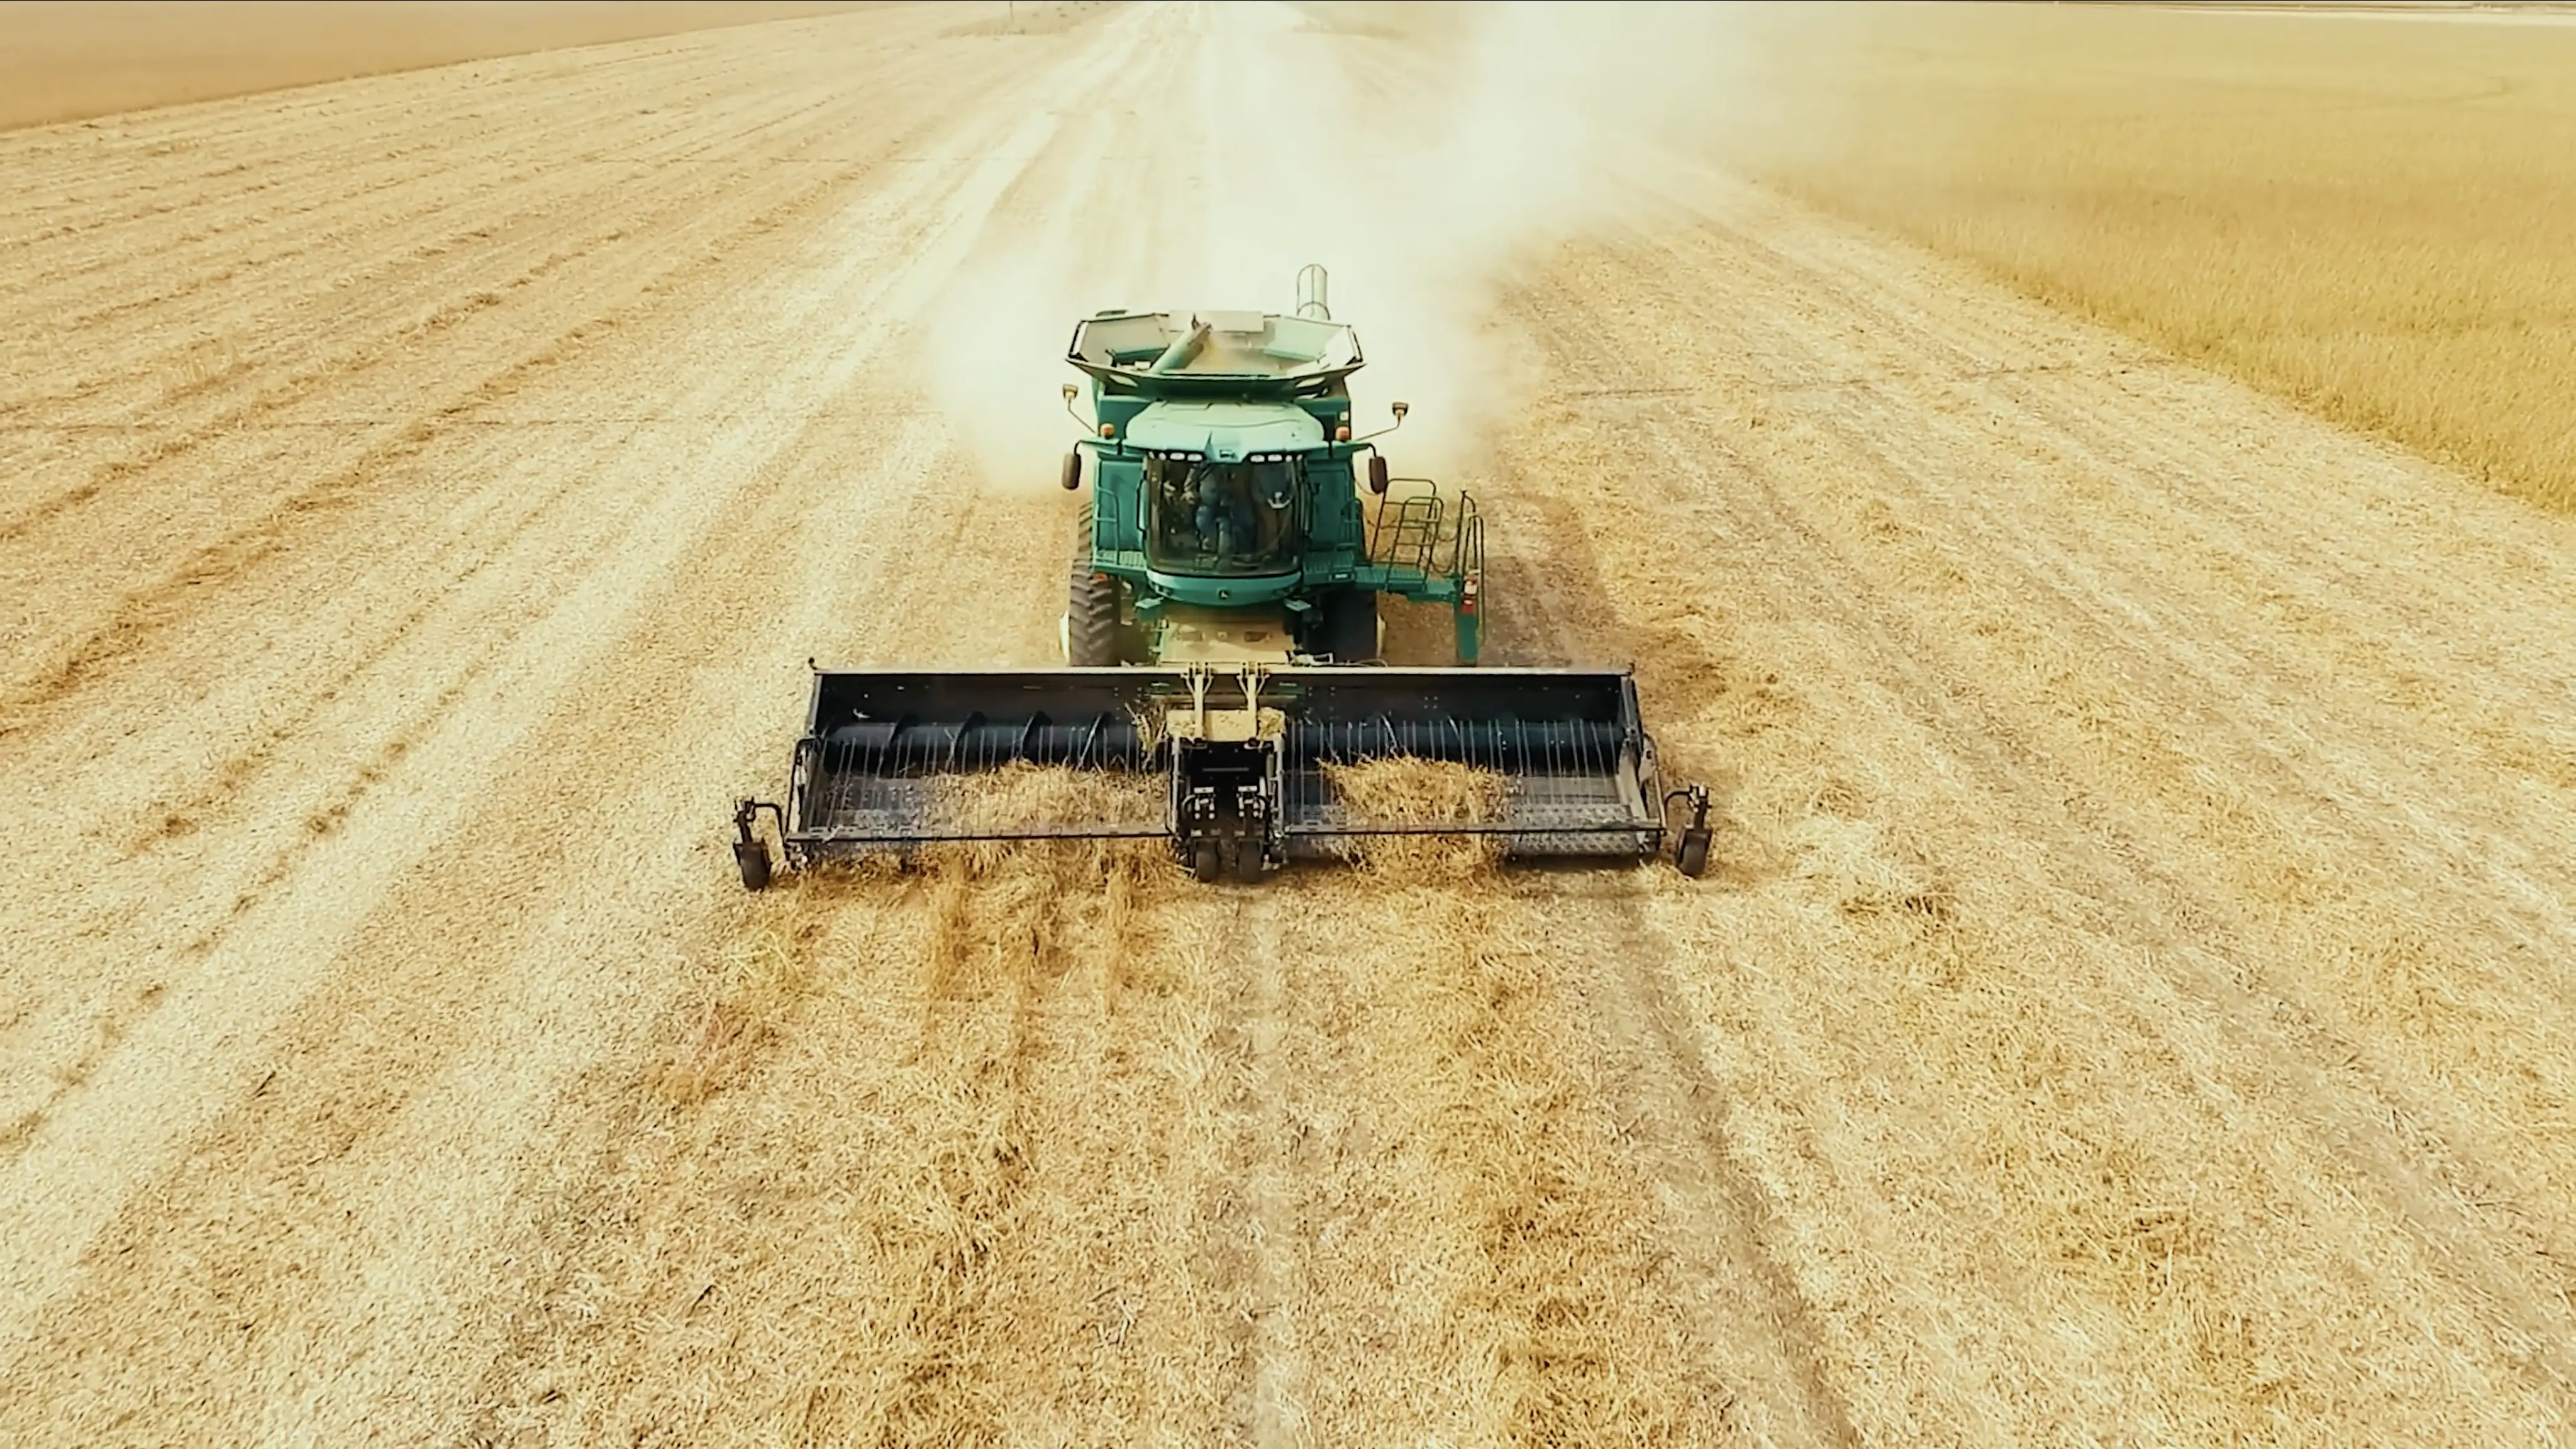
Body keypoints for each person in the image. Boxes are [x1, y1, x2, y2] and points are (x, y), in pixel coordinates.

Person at [1192, 462, 1256, 564]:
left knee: (1245, 521)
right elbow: (1190, 483)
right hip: (1208, 503)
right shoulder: (1202, 464)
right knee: (1202, 520)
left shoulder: (1239, 463)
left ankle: (1241, 552)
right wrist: (1190, 493)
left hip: (1234, 501)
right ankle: (1208, 549)